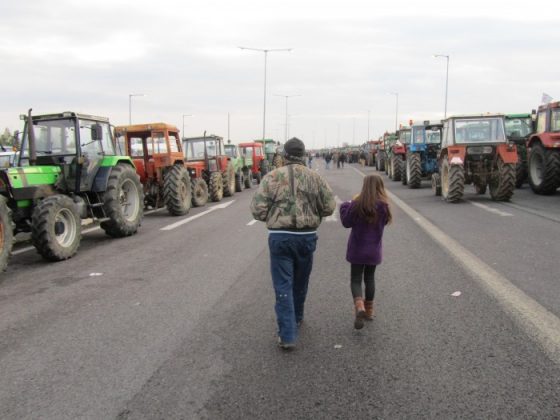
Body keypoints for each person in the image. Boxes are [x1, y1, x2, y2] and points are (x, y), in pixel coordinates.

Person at [251, 137, 335, 350]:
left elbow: (257, 210)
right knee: (301, 280)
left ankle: (287, 334)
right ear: (304, 155)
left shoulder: (271, 177)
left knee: (283, 284)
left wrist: (275, 215)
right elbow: (329, 207)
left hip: (280, 237)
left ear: (285, 156)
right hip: (307, 237)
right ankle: (297, 316)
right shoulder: (315, 178)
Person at [339, 174, 392, 330]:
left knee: (356, 279)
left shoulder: (357, 204)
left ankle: (359, 305)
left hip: (357, 249)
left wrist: (345, 205)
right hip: (373, 250)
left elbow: (346, 222)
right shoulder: (384, 206)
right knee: (370, 278)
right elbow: (386, 222)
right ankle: (369, 310)